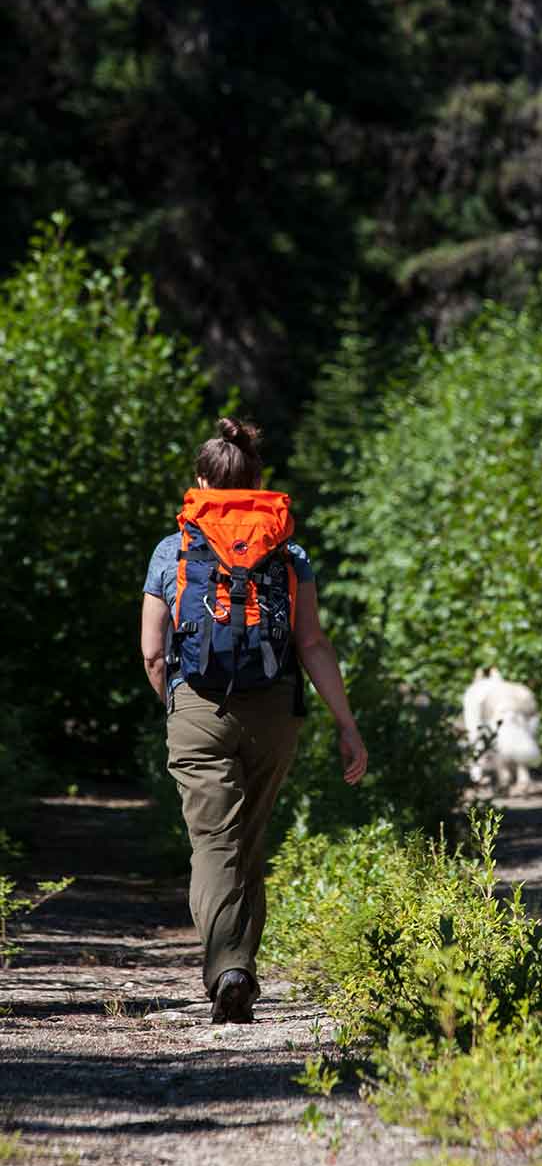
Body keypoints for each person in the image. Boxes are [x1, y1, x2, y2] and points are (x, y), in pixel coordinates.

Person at [140, 417, 367, 1024]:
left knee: (213, 842)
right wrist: (346, 723)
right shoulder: (289, 553)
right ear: (260, 482)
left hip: (197, 705)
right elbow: (312, 642)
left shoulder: (174, 548)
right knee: (248, 839)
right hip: (275, 709)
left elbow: (154, 652)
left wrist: (177, 703)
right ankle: (239, 965)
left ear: (200, 481)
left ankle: (227, 969)